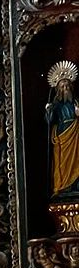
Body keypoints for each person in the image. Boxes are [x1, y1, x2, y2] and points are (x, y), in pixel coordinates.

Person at [46, 61, 79, 199]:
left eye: (67, 86)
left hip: (75, 133)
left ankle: (76, 184)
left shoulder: (76, 102)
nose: (66, 88)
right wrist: (49, 110)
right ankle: (64, 186)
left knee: (76, 159)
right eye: (62, 86)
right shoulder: (56, 105)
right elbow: (49, 121)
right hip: (62, 134)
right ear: (58, 89)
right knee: (62, 162)